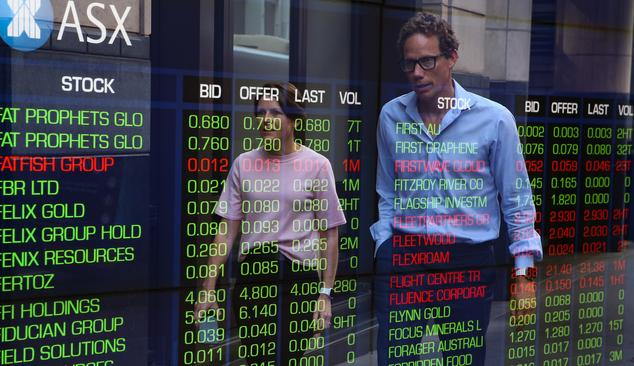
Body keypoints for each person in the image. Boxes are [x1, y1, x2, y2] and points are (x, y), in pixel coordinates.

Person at [371, 12, 543, 365]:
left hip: (467, 259)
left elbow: (516, 198)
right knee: (394, 358)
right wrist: (384, 247)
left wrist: (523, 274)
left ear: (452, 58)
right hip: (405, 257)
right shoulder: (391, 116)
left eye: (427, 61)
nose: (417, 72)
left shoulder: (494, 119)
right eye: (409, 64)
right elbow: (387, 189)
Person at [196, 82, 346, 365]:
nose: (266, 120)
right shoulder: (243, 163)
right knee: (257, 359)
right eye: (261, 112)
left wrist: (325, 294)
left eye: (275, 113)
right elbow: (226, 231)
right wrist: (208, 286)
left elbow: (330, 235)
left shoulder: (317, 165)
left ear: (292, 118)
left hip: (297, 276)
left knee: (287, 359)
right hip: (253, 276)